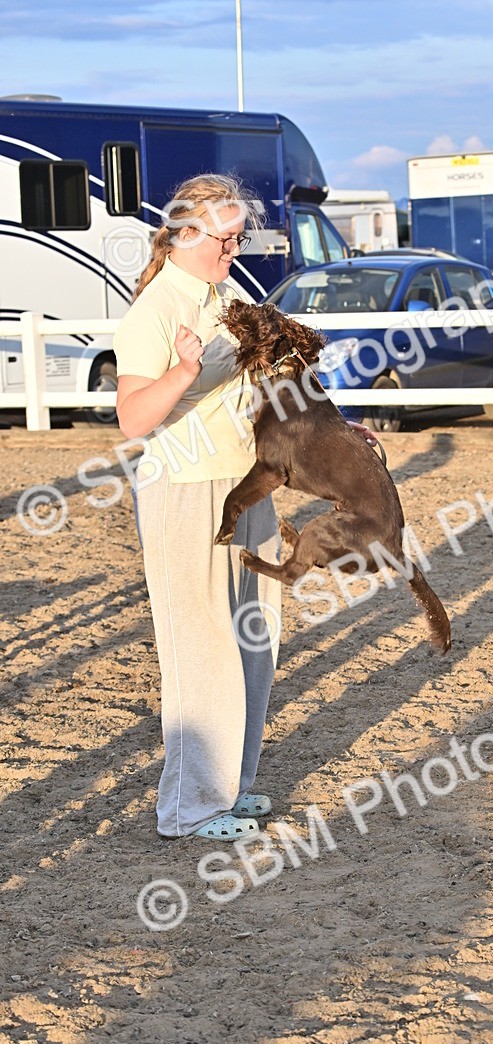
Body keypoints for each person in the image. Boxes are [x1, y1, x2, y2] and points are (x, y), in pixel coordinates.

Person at [114, 173, 375, 841]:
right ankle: (189, 807)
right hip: (185, 491)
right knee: (200, 647)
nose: (236, 249)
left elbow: (272, 387)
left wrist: (336, 438)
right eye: (226, 238)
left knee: (255, 640)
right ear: (187, 233)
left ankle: (233, 785)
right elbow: (133, 418)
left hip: (245, 488)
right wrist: (181, 371)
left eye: (239, 237)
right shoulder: (156, 309)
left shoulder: (227, 293)